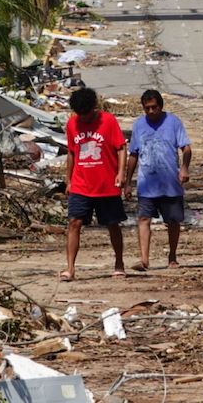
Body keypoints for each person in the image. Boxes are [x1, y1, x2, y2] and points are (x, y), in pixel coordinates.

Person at [63, 88, 128, 281]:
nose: (84, 118)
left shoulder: (108, 121)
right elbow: (71, 153)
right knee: (74, 223)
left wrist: (121, 173)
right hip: (81, 184)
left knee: (112, 224)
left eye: (87, 113)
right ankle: (70, 268)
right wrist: (68, 180)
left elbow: (121, 148)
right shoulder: (72, 124)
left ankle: (119, 262)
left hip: (106, 184)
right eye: (80, 114)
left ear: (94, 108)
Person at [124, 90, 192, 271]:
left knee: (173, 221)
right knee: (144, 218)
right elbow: (133, 154)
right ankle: (144, 259)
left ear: (161, 106)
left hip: (170, 182)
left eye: (154, 107)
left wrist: (184, 168)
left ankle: (172, 256)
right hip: (147, 183)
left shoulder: (173, 122)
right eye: (147, 108)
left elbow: (186, 148)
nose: (151, 111)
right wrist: (127, 182)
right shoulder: (139, 125)